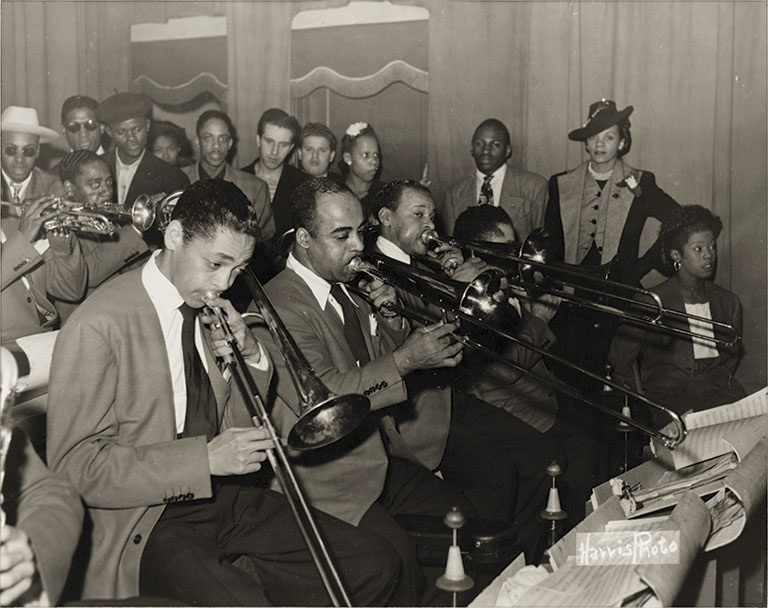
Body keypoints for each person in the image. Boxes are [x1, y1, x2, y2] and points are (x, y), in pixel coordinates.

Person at [45, 179, 400, 606]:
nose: (223, 283)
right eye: (215, 263)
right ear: (175, 236)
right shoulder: (99, 323)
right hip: (143, 517)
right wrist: (204, 459)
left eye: (237, 269)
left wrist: (252, 357)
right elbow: (74, 469)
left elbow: (232, 428)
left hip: (218, 497)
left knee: (373, 564)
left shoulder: (205, 307)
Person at [255, 177, 476, 604]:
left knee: (463, 521)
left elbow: (376, 364)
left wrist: (390, 320)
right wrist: (406, 359)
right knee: (399, 560)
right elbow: (329, 395)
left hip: (378, 458)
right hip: (327, 482)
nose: (359, 245)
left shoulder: (345, 289)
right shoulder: (277, 306)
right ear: (303, 239)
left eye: (360, 231)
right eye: (342, 236)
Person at [372, 180, 560, 556]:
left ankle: (518, 559)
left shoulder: (422, 263)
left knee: (544, 458)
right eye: (418, 214)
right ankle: (489, 562)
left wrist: (483, 292)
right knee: (500, 475)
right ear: (386, 218)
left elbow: (479, 340)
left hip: (450, 397)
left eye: (432, 216)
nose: (430, 225)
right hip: (417, 413)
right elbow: (415, 349)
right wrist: (456, 292)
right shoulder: (375, 273)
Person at [452, 204, 601, 525]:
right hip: (509, 409)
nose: (516, 258)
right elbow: (501, 371)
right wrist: (539, 319)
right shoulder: (474, 300)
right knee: (584, 447)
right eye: (505, 250)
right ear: (476, 254)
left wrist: (535, 304)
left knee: (597, 422)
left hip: (539, 397)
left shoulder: (503, 285)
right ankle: (566, 533)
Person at [543, 99, 682, 394]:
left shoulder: (641, 182)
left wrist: (646, 262)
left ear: (621, 142)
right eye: (594, 137)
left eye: (608, 137)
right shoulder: (561, 183)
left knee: (613, 375)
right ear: (585, 143)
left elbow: (678, 218)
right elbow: (551, 240)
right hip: (572, 294)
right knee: (568, 372)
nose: (600, 144)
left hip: (620, 292)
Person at [608, 204, 745, 419]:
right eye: (698, 249)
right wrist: (643, 404)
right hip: (668, 399)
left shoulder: (728, 302)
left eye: (712, 247)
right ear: (676, 255)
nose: (709, 255)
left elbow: (731, 358)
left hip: (718, 393)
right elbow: (621, 361)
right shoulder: (651, 302)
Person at [1, 106, 87, 341]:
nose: (20, 160)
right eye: (11, 150)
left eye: (28, 151)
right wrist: (24, 237)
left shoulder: (54, 188)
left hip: (39, 328)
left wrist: (63, 243)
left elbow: (71, 290)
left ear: (38, 151)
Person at [52, 150, 151, 321]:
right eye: (95, 185)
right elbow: (89, 273)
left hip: (121, 315)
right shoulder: (61, 224)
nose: (107, 191)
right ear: (69, 188)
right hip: (87, 321)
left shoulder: (106, 219)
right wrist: (135, 230)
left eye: (109, 182)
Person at [442, 118, 547, 238]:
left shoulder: (534, 187)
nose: (486, 150)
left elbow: (540, 241)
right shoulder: (454, 194)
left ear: (508, 150)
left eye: (495, 144)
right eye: (479, 143)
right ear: (471, 149)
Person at [184, 110, 272, 241]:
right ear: (197, 141)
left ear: (230, 143)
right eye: (208, 138)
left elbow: (265, 238)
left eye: (223, 138)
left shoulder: (256, 188)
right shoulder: (177, 179)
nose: (216, 146)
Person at [97, 92, 189, 209]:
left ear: (147, 125)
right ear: (109, 132)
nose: (131, 138)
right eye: (121, 132)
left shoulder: (172, 177)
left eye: (137, 129)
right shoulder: (97, 166)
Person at [241, 108, 309, 241]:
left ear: (291, 148)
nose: (274, 152)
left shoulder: (303, 184)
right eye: (269, 141)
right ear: (258, 140)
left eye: (283, 144)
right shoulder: (239, 179)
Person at [338, 121, 383, 223]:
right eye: (366, 155)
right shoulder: (336, 192)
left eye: (376, 155)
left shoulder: (384, 194)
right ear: (348, 158)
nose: (374, 161)